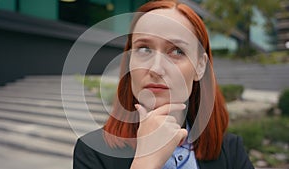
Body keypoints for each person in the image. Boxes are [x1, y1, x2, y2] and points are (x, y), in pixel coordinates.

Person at [73, 0, 255, 168]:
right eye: (144, 49)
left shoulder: (231, 151)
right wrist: (145, 162)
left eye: (177, 51)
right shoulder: (92, 152)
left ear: (200, 66)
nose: (156, 68)